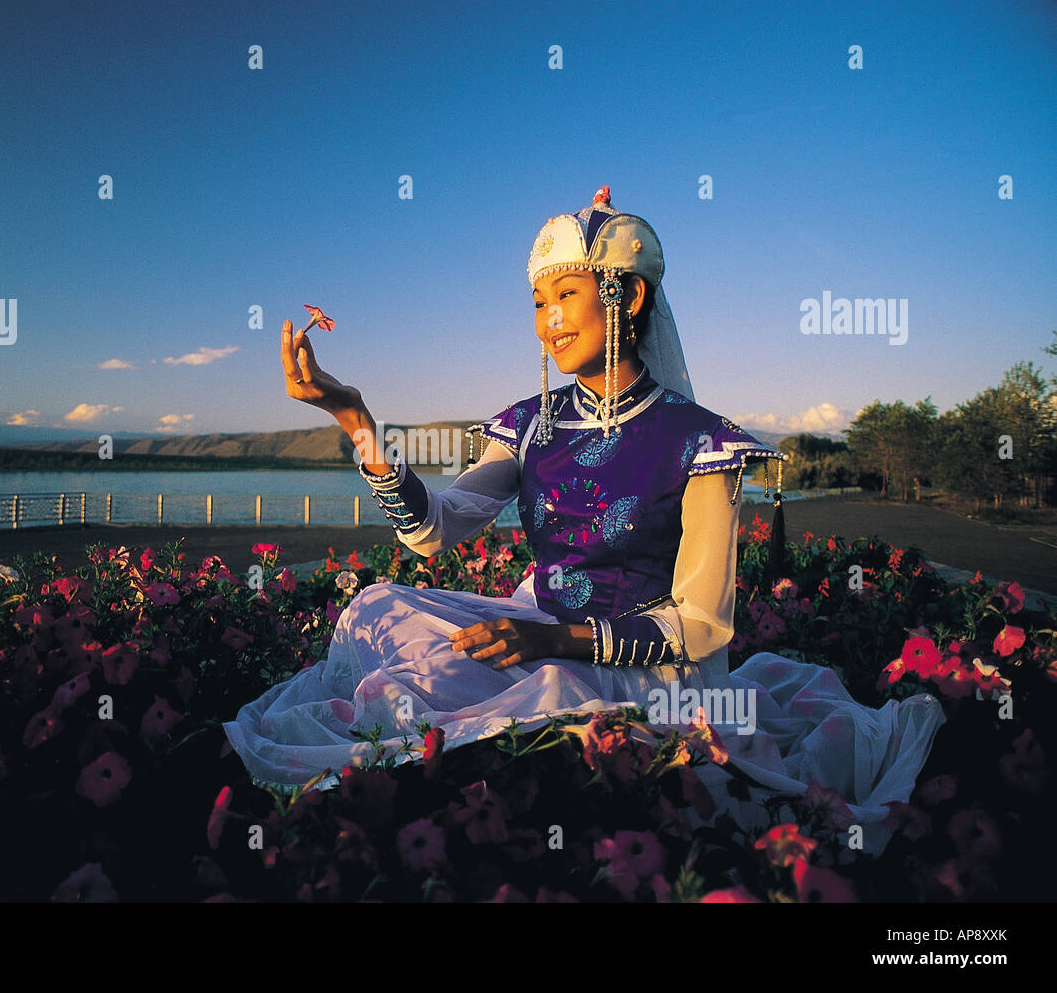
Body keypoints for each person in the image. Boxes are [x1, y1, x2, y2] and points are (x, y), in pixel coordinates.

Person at [221, 186, 945, 855]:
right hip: (531, 631)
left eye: (566, 293)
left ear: (626, 294)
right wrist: (355, 418)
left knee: (533, 708)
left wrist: (555, 640)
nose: (549, 320)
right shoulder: (528, 427)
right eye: (538, 302)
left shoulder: (701, 442)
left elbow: (703, 624)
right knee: (379, 604)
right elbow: (433, 529)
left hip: (641, 667)